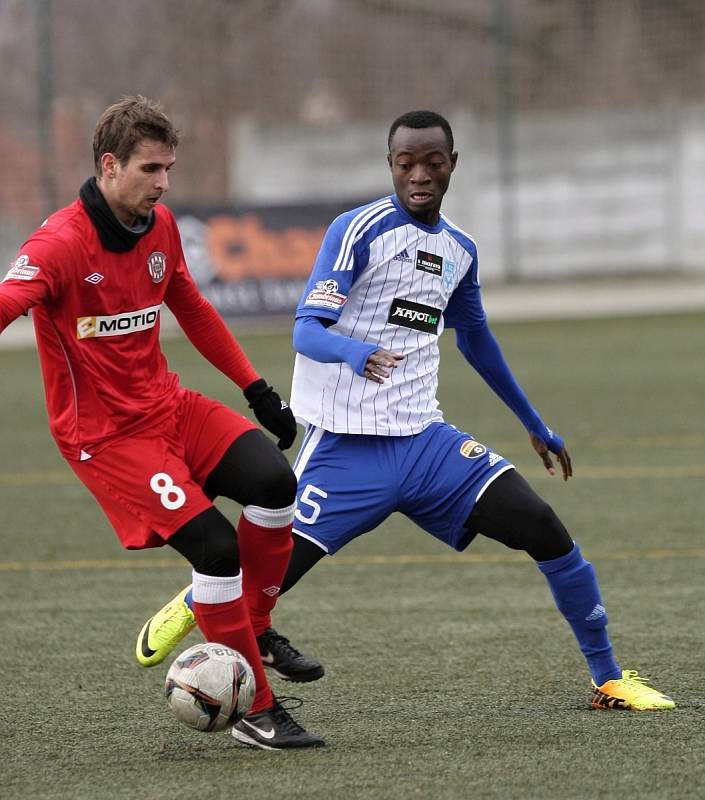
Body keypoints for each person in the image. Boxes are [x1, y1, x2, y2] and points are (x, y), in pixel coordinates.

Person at [138, 109, 675, 713]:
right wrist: (355, 352)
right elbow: (306, 331)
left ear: (452, 165)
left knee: (546, 530)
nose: (419, 174)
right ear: (390, 165)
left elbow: (475, 339)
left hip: (427, 446)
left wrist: (534, 424)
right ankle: (196, 600)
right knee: (260, 580)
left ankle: (608, 679)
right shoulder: (357, 229)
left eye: (432, 162)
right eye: (406, 163)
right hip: (345, 453)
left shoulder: (459, 250)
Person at [0, 96, 324, 750]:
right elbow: (7, 303)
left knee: (273, 482)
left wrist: (255, 389)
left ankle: (251, 626)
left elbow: (193, 308)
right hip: (106, 438)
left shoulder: (161, 225)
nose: (164, 183)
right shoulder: (60, 242)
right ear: (109, 165)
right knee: (216, 548)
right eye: (151, 169)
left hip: (169, 407)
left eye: (169, 168)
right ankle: (256, 711)